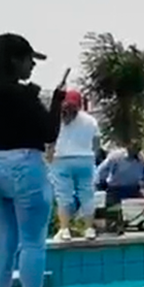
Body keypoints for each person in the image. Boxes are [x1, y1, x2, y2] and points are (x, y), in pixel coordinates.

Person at [0, 33, 63, 287]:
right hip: (24, 166)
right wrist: (56, 102)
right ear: (15, 60)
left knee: (3, 241)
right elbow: (49, 132)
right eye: (29, 60)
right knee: (32, 241)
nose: (32, 66)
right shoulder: (21, 95)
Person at [50, 89, 99, 240]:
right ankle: (89, 229)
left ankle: (65, 229)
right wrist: (93, 155)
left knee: (63, 195)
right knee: (87, 194)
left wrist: (49, 157)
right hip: (85, 159)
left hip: (62, 159)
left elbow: (50, 141)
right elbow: (96, 142)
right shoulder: (90, 120)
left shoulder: (58, 119)